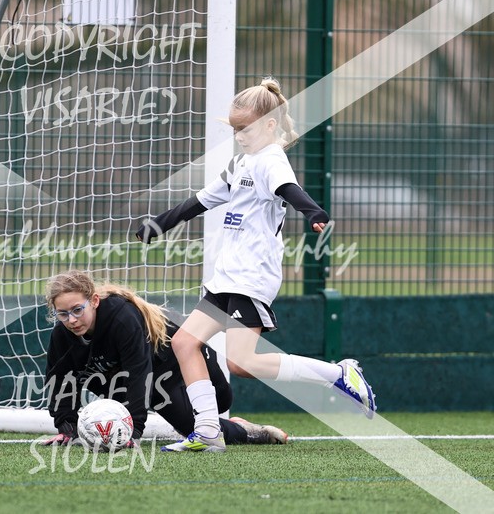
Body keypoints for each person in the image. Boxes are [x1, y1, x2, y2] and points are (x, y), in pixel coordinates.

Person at [135, 77, 376, 452]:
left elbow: (287, 189)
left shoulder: (270, 159)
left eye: (244, 128)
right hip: (227, 276)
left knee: (241, 362)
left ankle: (339, 375)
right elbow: (201, 201)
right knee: (184, 342)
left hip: (251, 276)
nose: (239, 135)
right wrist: (160, 222)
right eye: (234, 129)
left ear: (269, 125)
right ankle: (209, 431)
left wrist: (311, 211)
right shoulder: (241, 163)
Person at [42, 270, 288, 450]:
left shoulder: (120, 317)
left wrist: (134, 430)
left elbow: (139, 372)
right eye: (62, 314)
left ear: (94, 301)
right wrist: (66, 427)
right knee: (199, 431)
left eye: (77, 309)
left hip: (172, 358)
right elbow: (60, 380)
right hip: (145, 381)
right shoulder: (62, 336)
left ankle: (238, 423)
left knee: (223, 399)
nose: (72, 320)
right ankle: (253, 432)